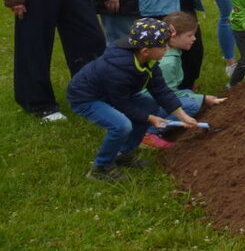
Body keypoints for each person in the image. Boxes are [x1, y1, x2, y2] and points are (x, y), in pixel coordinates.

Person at [67, 18, 201, 181]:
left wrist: (182, 115)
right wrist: (149, 118)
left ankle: (124, 154)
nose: (166, 49)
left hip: (114, 94)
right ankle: (100, 168)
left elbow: (160, 89)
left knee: (149, 105)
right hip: (87, 98)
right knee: (121, 126)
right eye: (163, 46)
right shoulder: (118, 70)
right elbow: (121, 104)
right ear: (145, 51)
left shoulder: (149, 60)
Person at [141, 11, 226, 149]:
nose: (194, 39)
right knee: (192, 105)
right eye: (189, 35)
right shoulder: (167, 63)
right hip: (148, 105)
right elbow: (165, 95)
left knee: (189, 93)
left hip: (153, 102)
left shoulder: (173, 54)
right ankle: (149, 133)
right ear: (173, 35)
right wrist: (203, 98)